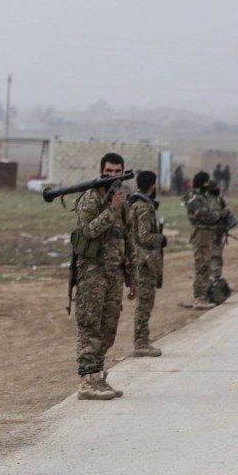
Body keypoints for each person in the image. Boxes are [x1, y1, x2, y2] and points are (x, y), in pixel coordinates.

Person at [71, 152, 136, 399]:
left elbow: (127, 240)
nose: (112, 175)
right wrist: (111, 210)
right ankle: (87, 380)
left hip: (114, 274)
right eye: (108, 171)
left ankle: (98, 376)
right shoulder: (91, 198)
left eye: (117, 171)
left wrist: (131, 278)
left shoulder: (121, 201)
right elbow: (89, 230)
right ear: (101, 172)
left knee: (108, 328)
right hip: (93, 273)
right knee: (90, 325)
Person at [127, 170, 166, 354]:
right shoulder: (143, 207)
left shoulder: (136, 203)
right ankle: (141, 342)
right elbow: (144, 236)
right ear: (153, 186)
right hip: (144, 260)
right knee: (145, 302)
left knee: (145, 301)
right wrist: (160, 239)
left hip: (140, 258)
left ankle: (142, 340)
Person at [184, 171, 229, 308]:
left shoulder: (200, 197)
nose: (209, 184)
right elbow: (208, 216)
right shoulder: (197, 199)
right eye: (207, 181)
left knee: (205, 266)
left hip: (206, 234)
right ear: (203, 183)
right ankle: (199, 298)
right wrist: (221, 214)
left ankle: (202, 296)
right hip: (202, 234)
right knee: (202, 267)